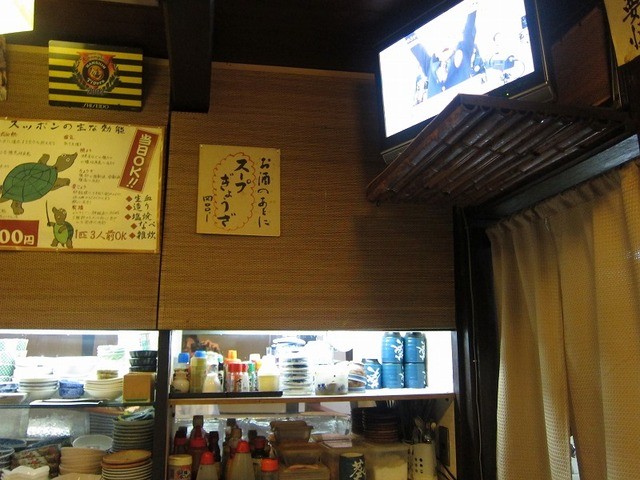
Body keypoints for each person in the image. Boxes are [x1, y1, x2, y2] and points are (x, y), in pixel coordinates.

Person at [407, 2, 481, 98]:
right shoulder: (429, 65)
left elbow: (469, 30)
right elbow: (415, 46)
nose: (444, 44)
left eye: (448, 38)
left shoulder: (464, 51)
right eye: (440, 41)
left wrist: (472, 8)